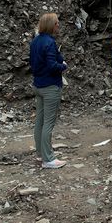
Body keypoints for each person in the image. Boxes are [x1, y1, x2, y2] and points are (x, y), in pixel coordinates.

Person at [30, 13, 68, 168]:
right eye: (57, 23)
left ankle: (40, 154)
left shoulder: (35, 41)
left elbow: (34, 63)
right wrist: (63, 66)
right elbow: (53, 65)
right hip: (50, 87)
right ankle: (48, 159)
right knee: (48, 123)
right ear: (51, 25)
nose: (59, 26)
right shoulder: (50, 43)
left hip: (38, 85)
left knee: (39, 121)